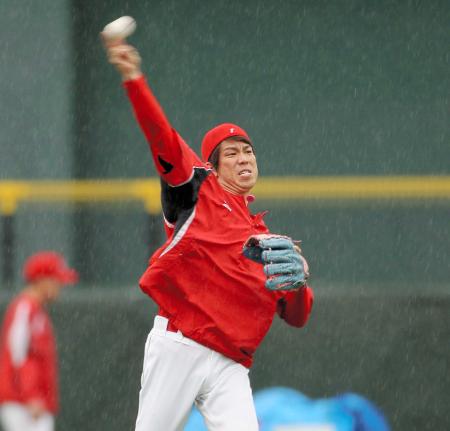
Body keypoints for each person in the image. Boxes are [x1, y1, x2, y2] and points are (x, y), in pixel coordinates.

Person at [103, 37, 314, 431]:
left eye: (247, 150)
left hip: (230, 362)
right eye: (230, 153)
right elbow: (161, 136)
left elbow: (297, 316)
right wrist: (134, 78)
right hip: (180, 344)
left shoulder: (266, 239)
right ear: (214, 167)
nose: (243, 157)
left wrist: (300, 284)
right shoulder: (197, 190)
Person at [0, 251, 78, 431]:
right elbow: (16, 354)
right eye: (56, 280)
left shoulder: (36, 310)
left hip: (32, 403)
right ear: (42, 280)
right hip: (22, 403)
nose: (60, 286)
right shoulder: (24, 308)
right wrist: (30, 395)